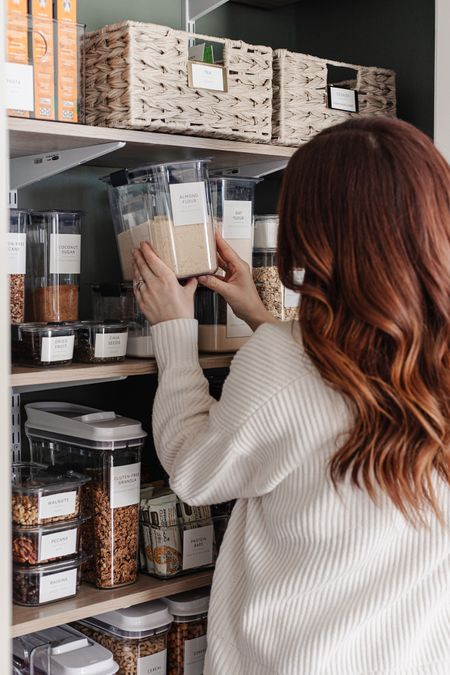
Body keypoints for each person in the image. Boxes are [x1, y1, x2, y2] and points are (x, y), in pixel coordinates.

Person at [132, 117, 450, 675]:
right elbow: (330, 394)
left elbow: (193, 467)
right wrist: (262, 317)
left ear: (312, 231)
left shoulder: (283, 361)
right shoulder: (432, 358)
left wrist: (173, 331)